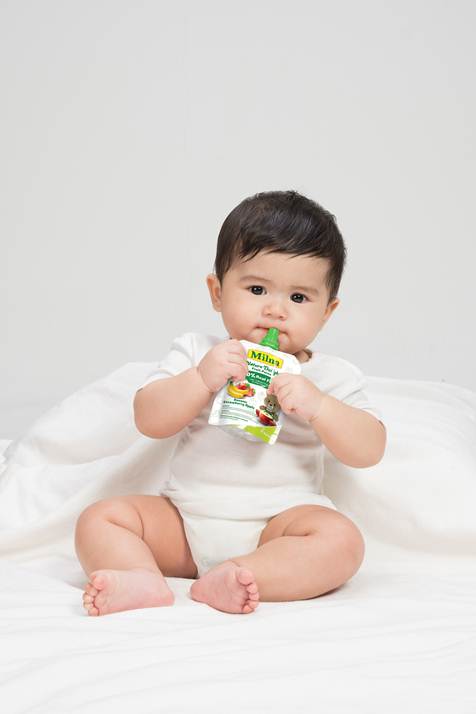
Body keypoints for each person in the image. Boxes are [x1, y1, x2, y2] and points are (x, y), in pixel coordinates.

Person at [75, 189, 387, 617]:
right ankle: (141, 577)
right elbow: (149, 418)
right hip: (185, 520)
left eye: (299, 298)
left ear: (327, 312)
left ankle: (245, 573)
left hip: (278, 525)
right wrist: (201, 379)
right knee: (100, 519)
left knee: (343, 542)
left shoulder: (330, 376)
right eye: (257, 289)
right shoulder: (198, 352)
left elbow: (370, 449)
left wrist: (319, 406)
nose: (276, 310)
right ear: (218, 292)